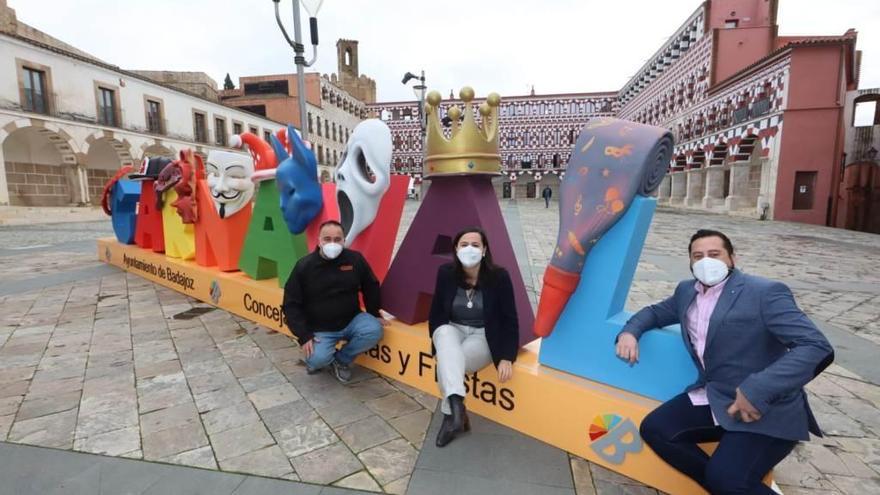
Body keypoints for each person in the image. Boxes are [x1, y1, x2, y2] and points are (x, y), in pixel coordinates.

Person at [615, 229, 833, 494]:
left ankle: (729, 486)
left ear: (731, 259)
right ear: (691, 263)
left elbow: (816, 346)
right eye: (698, 256)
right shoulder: (687, 291)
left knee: (728, 479)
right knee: (656, 429)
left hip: (766, 408)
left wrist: (757, 389)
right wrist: (629, 332)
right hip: (718, 397)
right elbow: (655, 313)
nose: (706, 261)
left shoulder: (764, 293)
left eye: (714, 254)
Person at [428, 227, 519, 447]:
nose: (470, 249)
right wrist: (437, 343)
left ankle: (452, 414)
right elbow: (436, 313)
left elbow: (510, 318)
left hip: (484, 335)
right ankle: (458, 409)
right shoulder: (446, 273)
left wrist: (507, 356)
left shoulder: (499, 277)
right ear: (456, 249)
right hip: (453, 330)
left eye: (476, 245)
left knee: (447, 364)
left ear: (485, 250)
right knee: (443, 332)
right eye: (464, 244)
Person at [283, 220, 388, 383]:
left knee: (374, 330)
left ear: (344, 240)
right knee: (317, 360)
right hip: (320, 328)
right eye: (327, 239)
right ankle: (323, 358)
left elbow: (370, 285)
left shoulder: (355, 259)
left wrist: (374, 312)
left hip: (352, 319)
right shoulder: (304, 266)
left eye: (337, 239)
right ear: (319, 240)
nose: (332, 243)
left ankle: (341, 360)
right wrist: (303, 334)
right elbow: (291, 303)